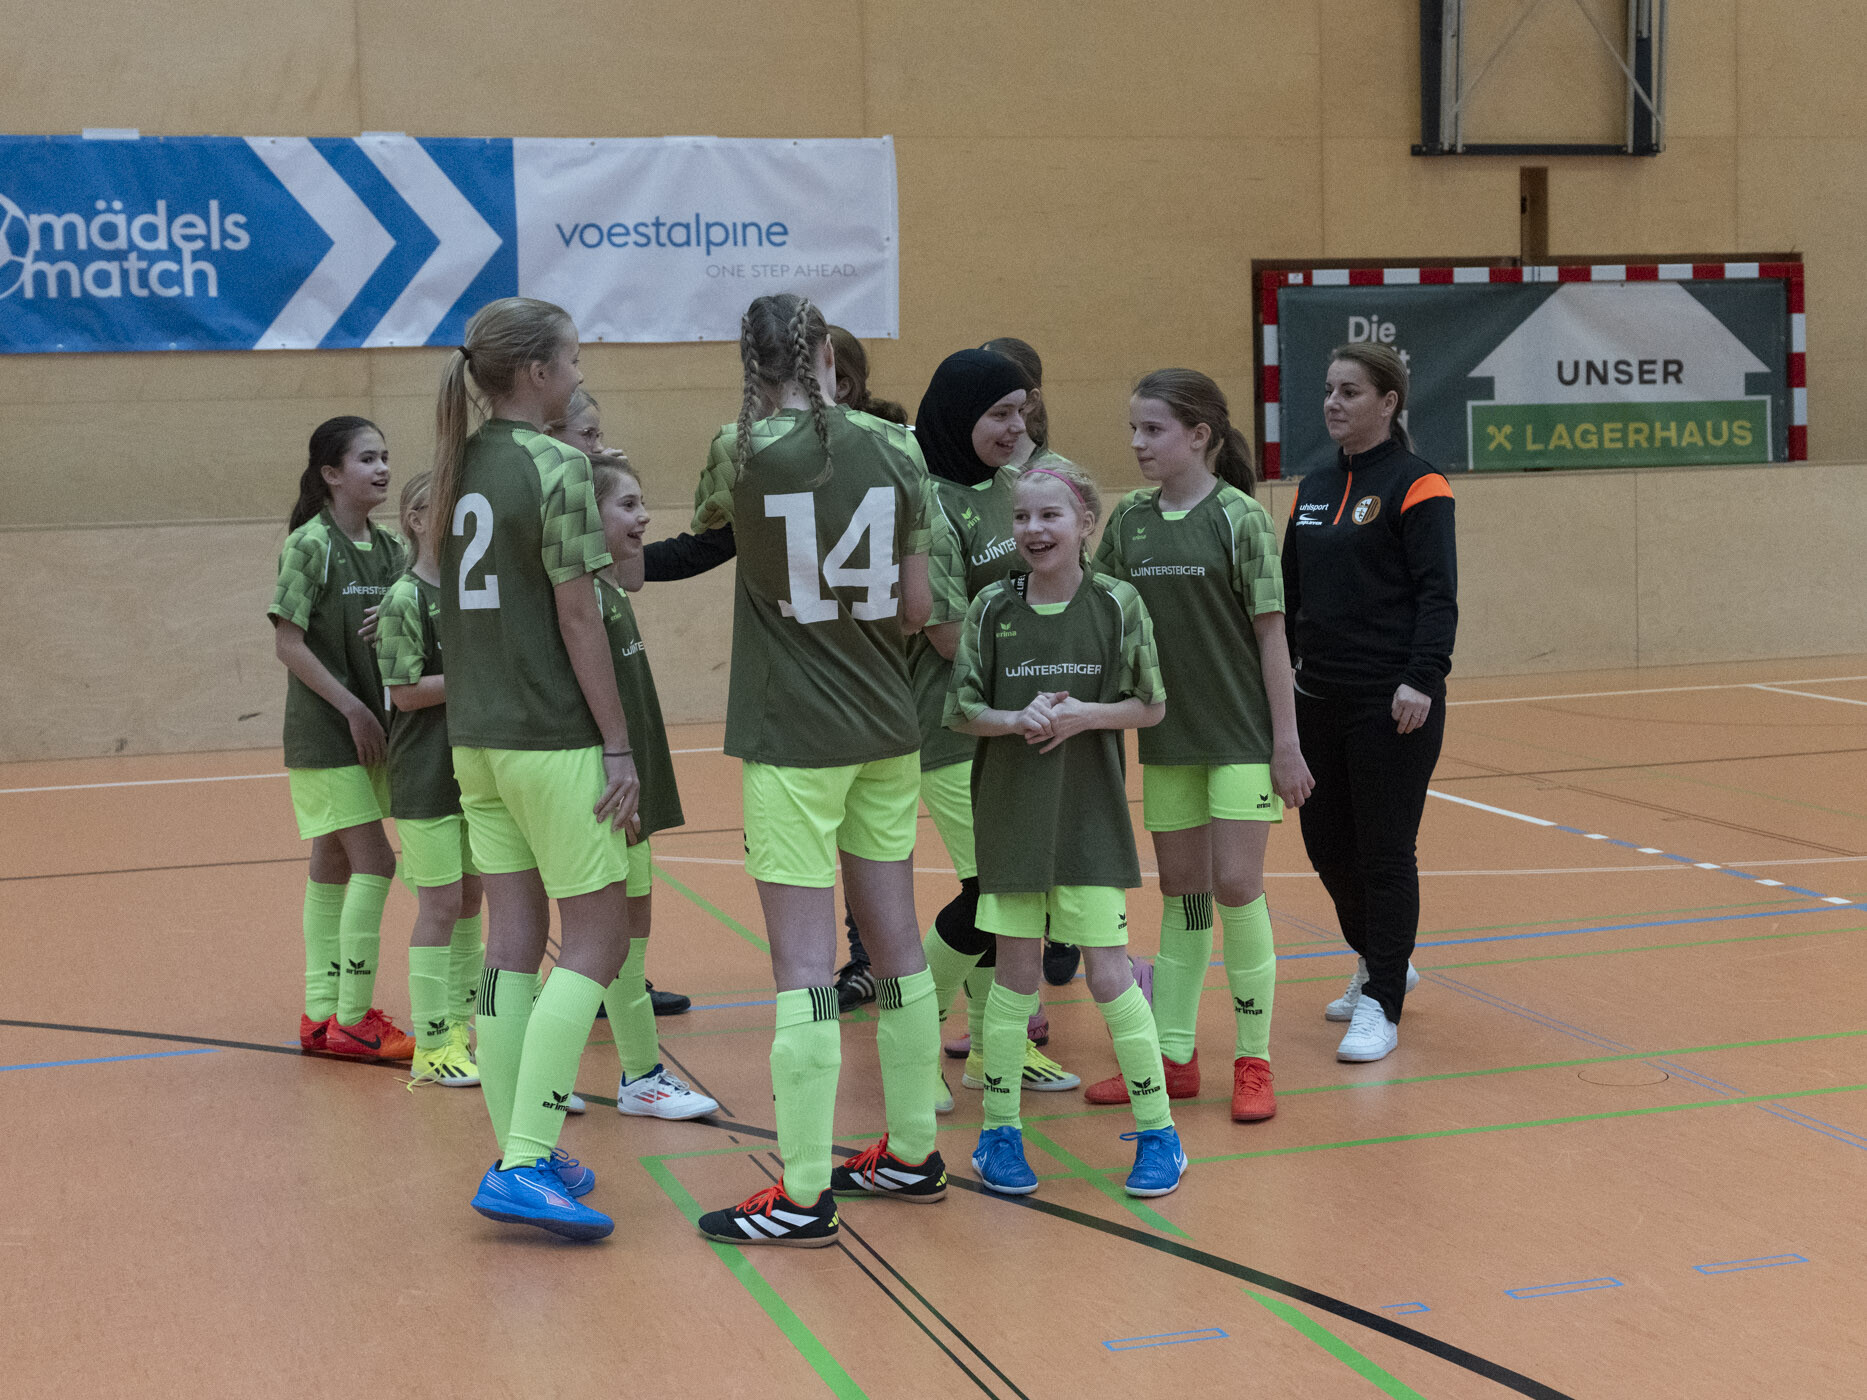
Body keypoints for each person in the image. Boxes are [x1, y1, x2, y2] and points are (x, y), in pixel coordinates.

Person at [689, 293, 944, 1245]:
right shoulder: (899, 447)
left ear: (748, 364)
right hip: (887, 723)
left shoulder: (739, 449)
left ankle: (801, 1195)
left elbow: (713, 531)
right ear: (829, 356)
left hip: (793, 736)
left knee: (802, 966)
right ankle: (912, 1152)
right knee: (897, 946)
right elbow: (917, 607)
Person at [432, 296, 636, 1241]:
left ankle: (523, 1148)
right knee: (596, 941)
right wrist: (618, 741)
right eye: (574, 359)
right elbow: (578, 613)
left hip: (475, 736)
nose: (580, 375)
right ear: (537, 373)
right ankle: (522, 1160)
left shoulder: (456, 461)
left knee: (513, 941)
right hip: (548, 734)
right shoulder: (556, 464)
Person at [947, 459, 1187, 1199]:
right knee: (1014, 978)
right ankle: (999, 1134)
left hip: (1088, 818)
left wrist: (1086, 715)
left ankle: (1159, 1134)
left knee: (1109, 974)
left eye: (1049, 515)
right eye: (1021, 517)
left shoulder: (1117, 603)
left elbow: (1150, 704)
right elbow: (961, 709)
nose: (1033, 529)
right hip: (1012, 816)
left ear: (1085, 523)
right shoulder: (991, 606)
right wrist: (1012, 719)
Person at [1084, 370, 1311, 1122]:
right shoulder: (1129, 520)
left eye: (1152, 429)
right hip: (1167, 738)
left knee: (1236, 886)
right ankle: (1174, 1058)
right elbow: (1099, 616)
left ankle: (1254, 1060)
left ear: (1199, 435)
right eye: (1134, 429)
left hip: (1240, 736)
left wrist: (1286, 743)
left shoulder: (1241, 519)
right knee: (1181, 894)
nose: (1137, 443)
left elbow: (1272, 636)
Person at [912, 349, 1080, 1108]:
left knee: (1007, 893)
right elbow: (947, 633)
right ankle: (912, 1043)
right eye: (999, 414)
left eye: (1022, 411)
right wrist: (1045, 655)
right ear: (958, 416)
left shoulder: (1015, 487)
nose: (1017, 427)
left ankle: (991, 1050)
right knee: (991, 889)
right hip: (955, 727)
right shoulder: (929, 501)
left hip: (1018, 720)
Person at [1283, 343, 1456, 1064]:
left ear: (1388, 403)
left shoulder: (1419, 485)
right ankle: (1382, 958)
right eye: (1328, 389)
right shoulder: (1315, 486)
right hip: (1315, 697)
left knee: (1384, 852)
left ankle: (1382, 998)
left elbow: (1437, 594)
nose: (1333, 402)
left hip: (1392, 704)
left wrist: (1422, 676)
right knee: (1326, 844)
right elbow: (1290, 592)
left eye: (1349, 391)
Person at [268, 416, 414, 1061]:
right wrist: (353, 708)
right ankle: (354, 1020)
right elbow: (288, 643)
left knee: (331, 862)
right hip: (329, 731)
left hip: (373, 731)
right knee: (376, 862)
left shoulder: (389, 548)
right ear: (331, 473)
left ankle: (320, 1013)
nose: (382, 469)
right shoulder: (311, 544)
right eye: (366, 459)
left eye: (384, 457)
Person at [544, 390, 693, 1019]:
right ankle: (577, 1006)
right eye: (587, 435)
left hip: (628, 746)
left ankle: (631, 1022)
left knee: (634, 903)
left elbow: (633, 572)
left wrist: (610, 484)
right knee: (594, 926)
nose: (598, 445)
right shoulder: (565, 569)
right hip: (594, 757)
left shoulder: (605, 566)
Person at [588, 459, 718, 1119]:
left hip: (631, 779)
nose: (644, 517)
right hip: (606, 789)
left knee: (629, 934)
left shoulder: (610, 587)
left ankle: (639, 1076)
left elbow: (640, 566)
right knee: (605, 939)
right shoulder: (582, 598)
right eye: (629, 505)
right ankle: (635, 1073)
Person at [375, 470, 484, 1086]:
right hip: (424, 771)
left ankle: (461, 1029)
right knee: (440, 904)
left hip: (476, 769)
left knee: (471, 900)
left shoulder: (475, 591)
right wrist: (482, 672)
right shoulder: (405, 598)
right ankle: (433, 1043)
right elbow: (404, 691)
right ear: (416, 521)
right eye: (447, 508)